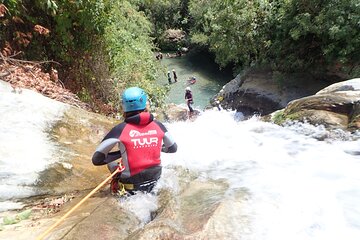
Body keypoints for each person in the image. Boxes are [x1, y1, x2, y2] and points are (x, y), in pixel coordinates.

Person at [92, 87, 177, 195]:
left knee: (111, 164)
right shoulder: (158, 125)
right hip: (156, 182)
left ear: (124, 106)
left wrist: (124, 153)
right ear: (145, 103)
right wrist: (156, 147)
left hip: (131, 188)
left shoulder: (120, 129)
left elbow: (97, 159)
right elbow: (173, 148)